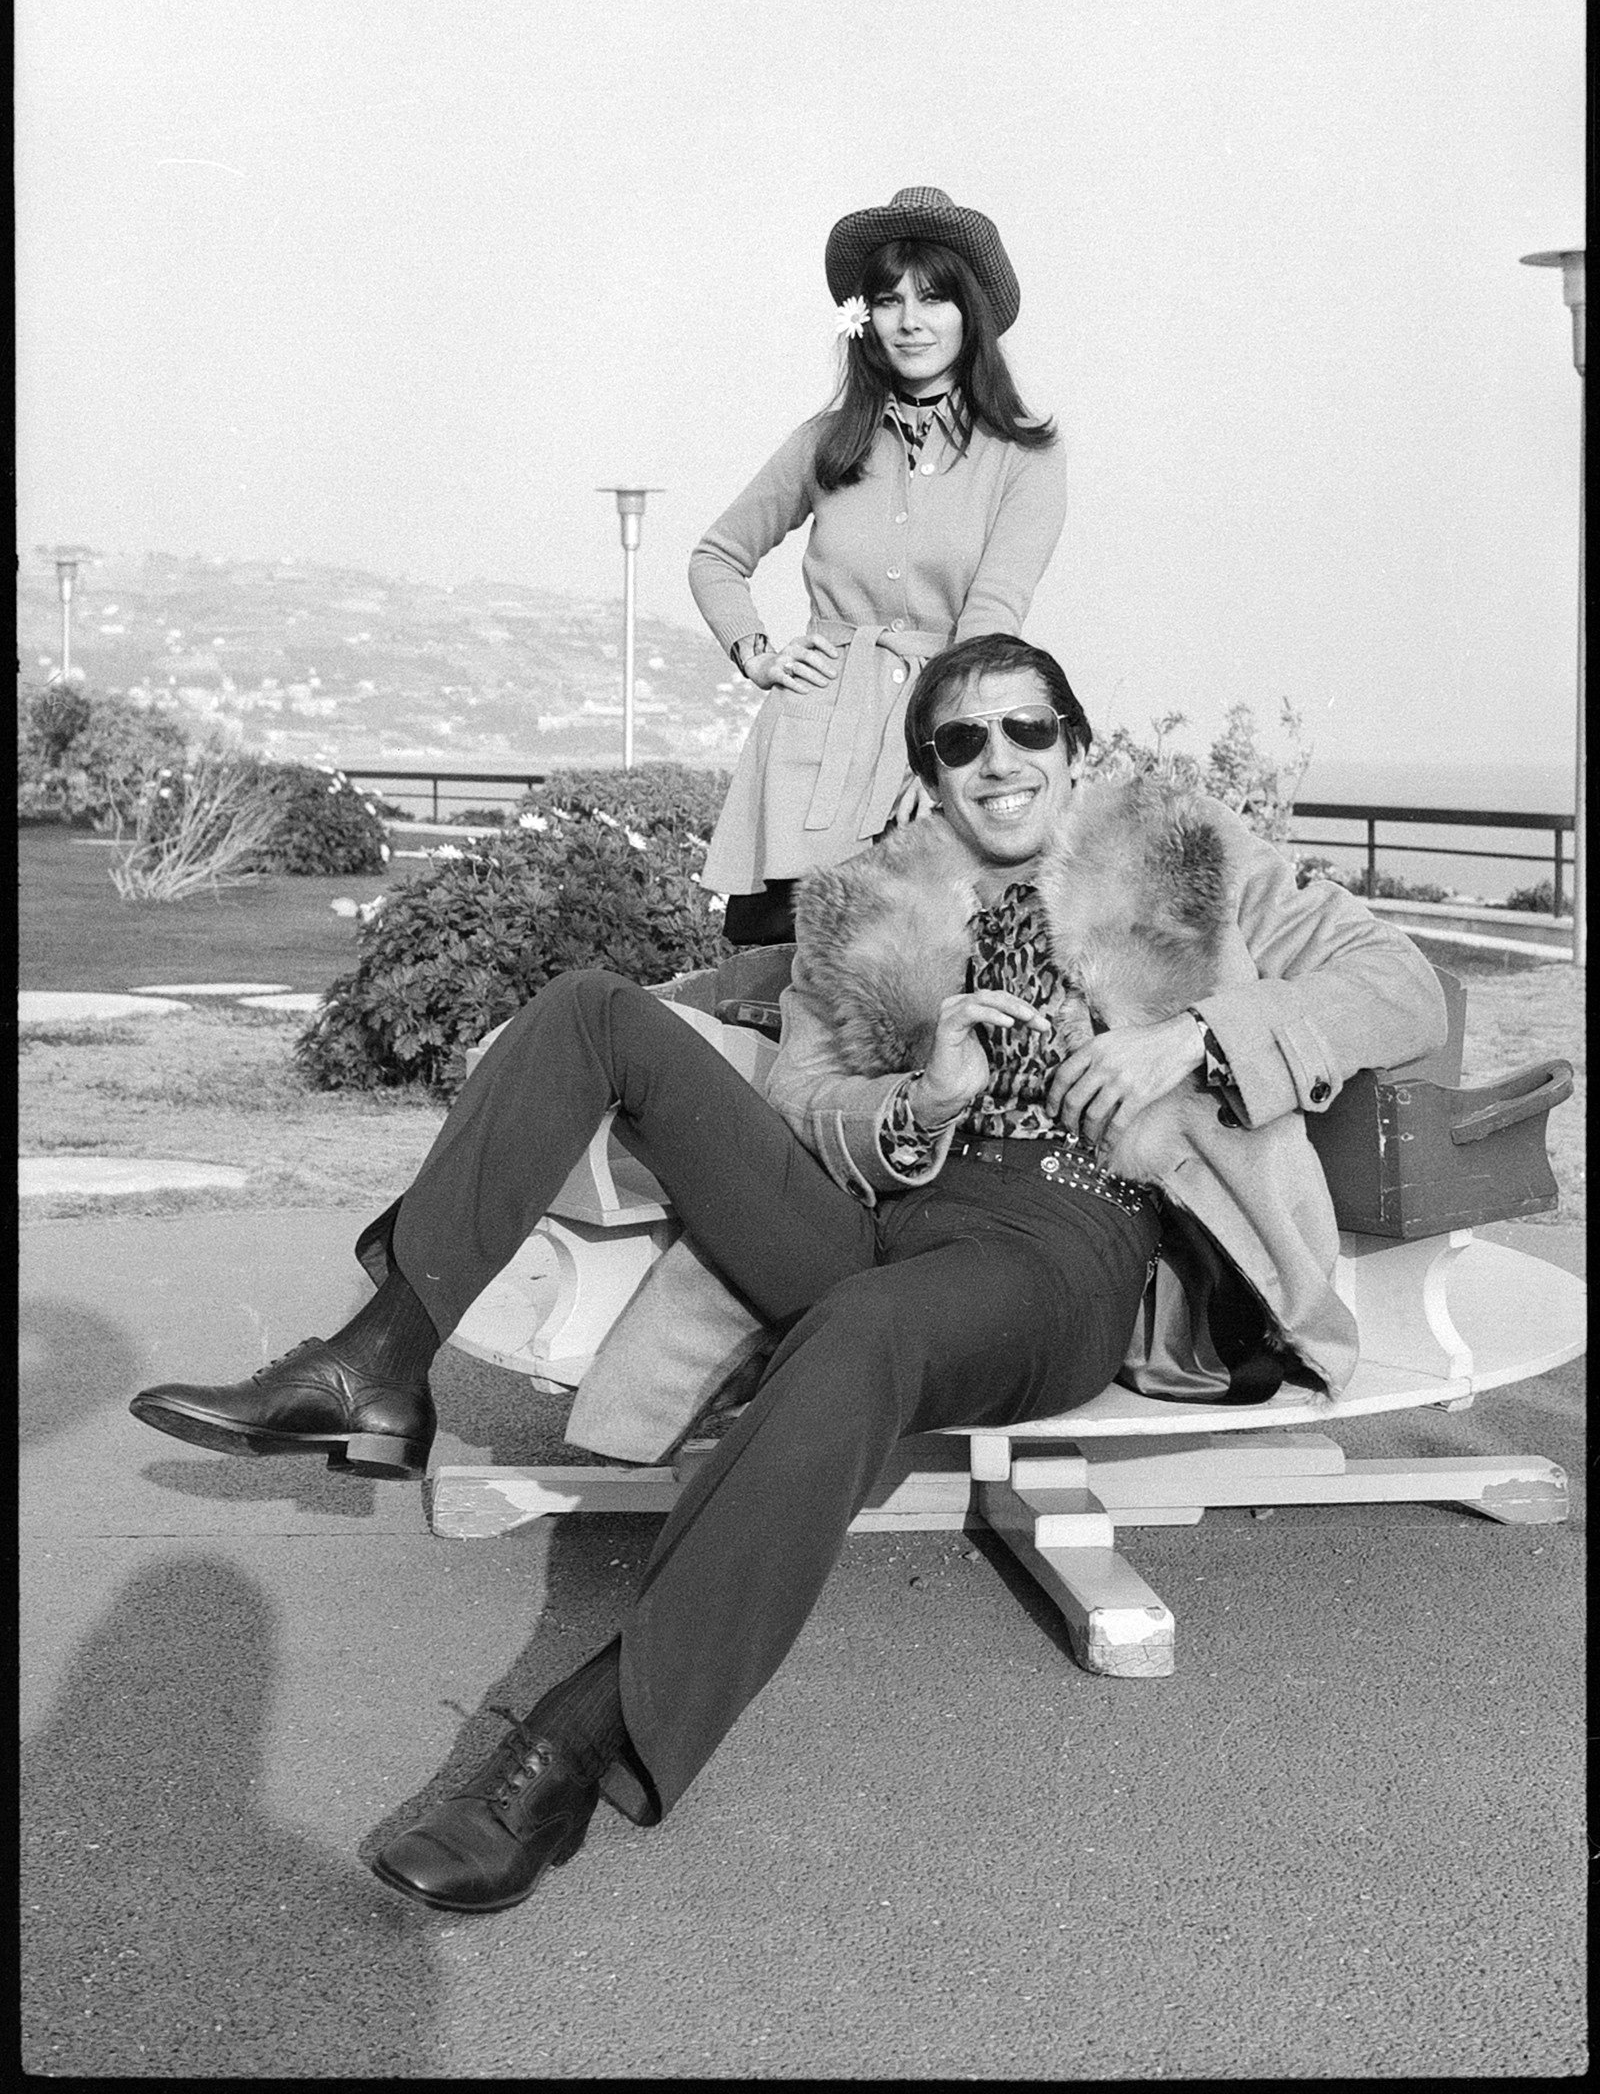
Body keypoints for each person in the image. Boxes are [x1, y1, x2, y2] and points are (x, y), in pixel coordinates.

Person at [128, 634, 1447, 1917]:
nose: (997, 761)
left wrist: (1194, 1040)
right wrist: (921, 1102)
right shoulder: (865, 902)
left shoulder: (1188, 851)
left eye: (1026, 728)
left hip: (1069, 1241)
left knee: (871, 1327)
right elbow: (813, 1100)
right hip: (882, 1214)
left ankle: (570, 1751)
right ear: (930, 771)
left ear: (1074, 744)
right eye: (960, 739)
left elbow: (1403, 986)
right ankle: (375, 1366)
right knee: (592, 1008)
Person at [690, 183, 1068, 946]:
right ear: (864, 319)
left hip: (935, 738)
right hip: (807, 746)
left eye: (933, 298)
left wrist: (933, 763)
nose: (911, 321)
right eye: (889, 301)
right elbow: (716, 557)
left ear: (971, 314)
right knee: (770, 978)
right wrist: (757, 654)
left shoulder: (1026, 455)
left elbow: (991, 619)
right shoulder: (824, 442)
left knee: (913, 977)